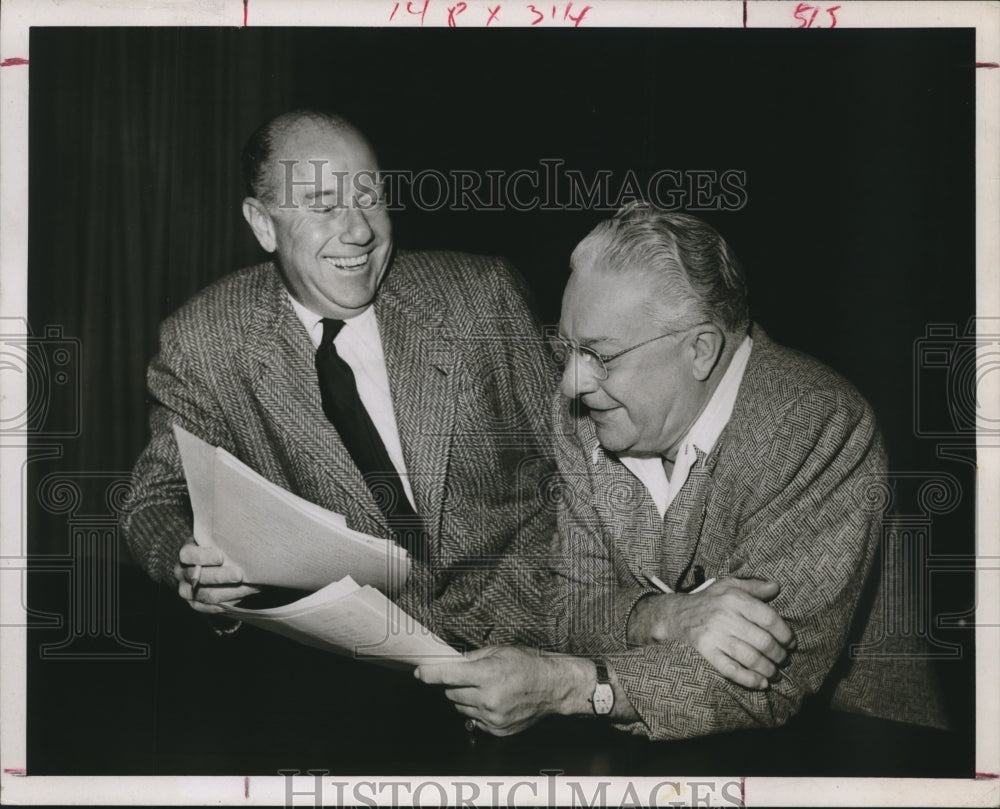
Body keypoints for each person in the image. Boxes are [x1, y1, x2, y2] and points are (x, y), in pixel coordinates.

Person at [417, 203, 949, 740]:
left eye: (600, 355)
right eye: (568, 350)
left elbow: (760, 680)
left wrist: (569, 687)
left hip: (850, 744)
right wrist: (664, 616)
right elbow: (568, 608)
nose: (571, 384)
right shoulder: (587, 419)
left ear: (700, 350)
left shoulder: (815, 424)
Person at [121, 109, 558, 648]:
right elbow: (152, 499)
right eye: (324, 207)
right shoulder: (206, 341)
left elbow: (583, 469)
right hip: (361, 667)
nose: (360, 231)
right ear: (263, 224)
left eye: (371, 199)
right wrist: (188, 563)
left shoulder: (481, 296)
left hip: (542, 631)